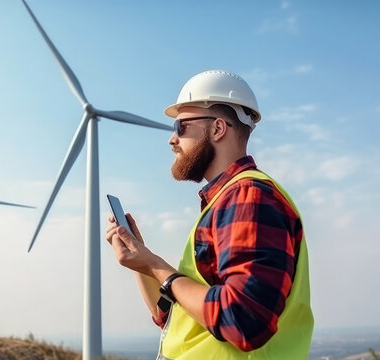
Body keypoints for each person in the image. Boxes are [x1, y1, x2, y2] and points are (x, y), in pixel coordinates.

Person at [105, 70, 313, 359]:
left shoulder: (248, 197)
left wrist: (155, 265)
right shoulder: (226, 200)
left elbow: (242, 321)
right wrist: (142, 261)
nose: (171, 140)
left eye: (181, 126)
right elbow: (173, 317)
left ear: (217, 129)